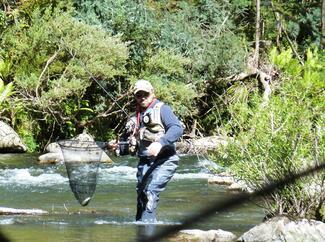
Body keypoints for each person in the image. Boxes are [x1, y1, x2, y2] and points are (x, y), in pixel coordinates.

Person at [117, 79, 183, 223]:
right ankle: (140, 229)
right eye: (138, 95)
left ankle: (148, 230)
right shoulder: (136, 116)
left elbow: (177, 128)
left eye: (145, 94)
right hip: (145, 162)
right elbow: (127, 146)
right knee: (141, 198)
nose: (142, 97)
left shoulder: (162, 109)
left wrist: (161, 143)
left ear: (152, 93)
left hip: (165, 160)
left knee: (150, 193)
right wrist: (117, 146)